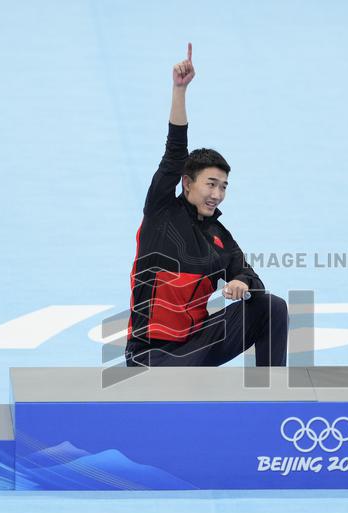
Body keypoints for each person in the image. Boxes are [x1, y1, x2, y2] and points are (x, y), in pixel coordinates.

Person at [125, 43, 288, 367]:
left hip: (197, 346)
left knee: (271, 307)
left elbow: (249, 275)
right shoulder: (161, 212)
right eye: (211, 184)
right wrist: (179, 90)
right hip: (150, 355)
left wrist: (242, 282)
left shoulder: (218, 236)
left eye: (223, 187)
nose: (217, 194)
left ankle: (272, 392)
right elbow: (174, 153)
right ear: (187, 183)